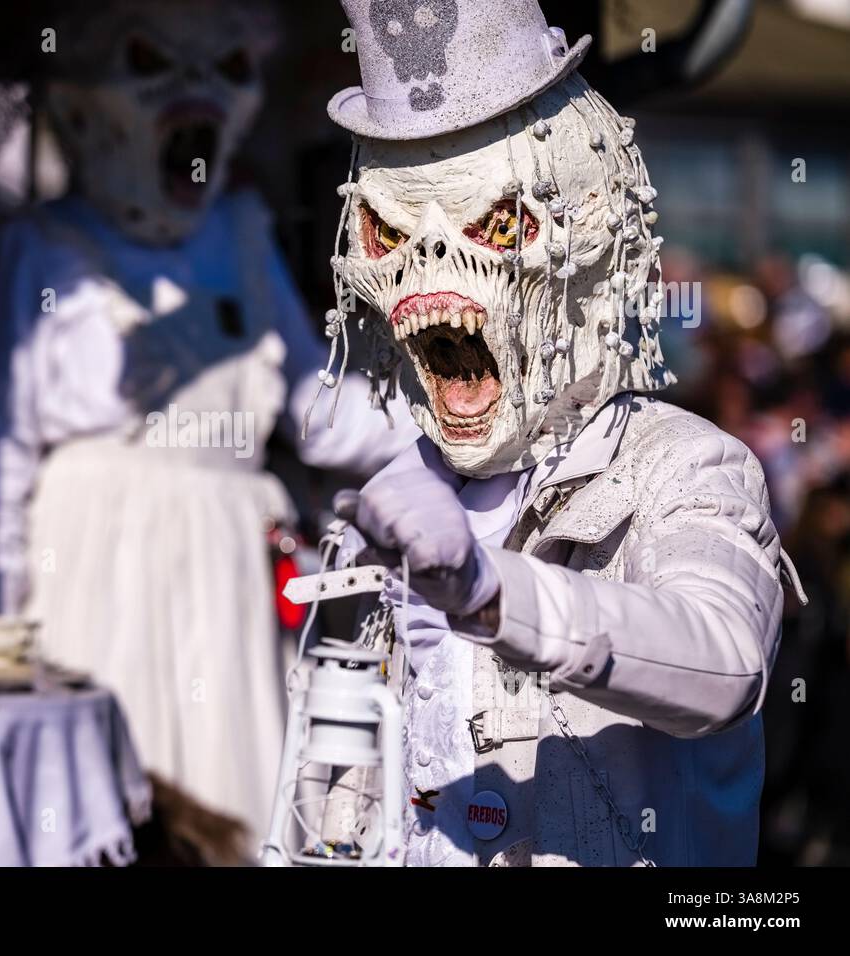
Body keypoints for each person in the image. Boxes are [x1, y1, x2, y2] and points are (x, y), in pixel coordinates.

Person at [317, 0, 806, 865]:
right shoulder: (399, 497)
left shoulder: (686, 467)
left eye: (496, 225)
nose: (429, 268)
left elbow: (725, 665)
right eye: (391, 234)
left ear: (585, 247)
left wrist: (490, 594)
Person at [0, 0, 417, 840]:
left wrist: (453, 433)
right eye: (153, 60)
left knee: (229, 794)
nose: (194, 91)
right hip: (94, 565)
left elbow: (317, 406)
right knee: (108, 805)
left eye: (226, 66)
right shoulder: (43, 246)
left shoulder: (240, 235)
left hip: (223, 577)